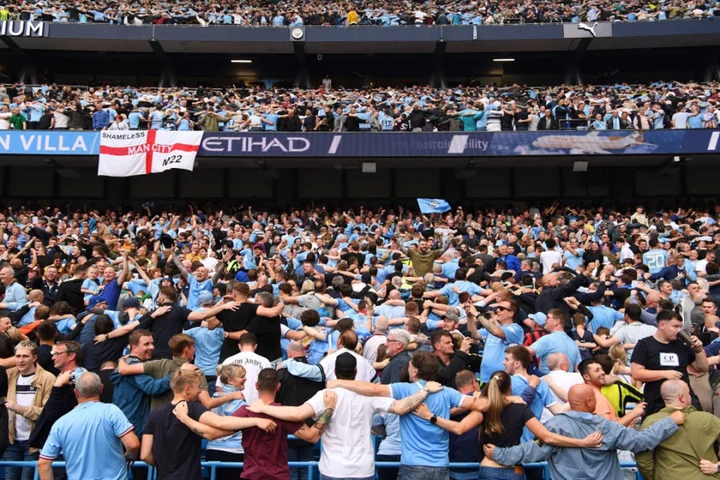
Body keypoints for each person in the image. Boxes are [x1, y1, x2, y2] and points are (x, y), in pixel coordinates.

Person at [250, 352, 443, 480]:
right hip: (362, 470)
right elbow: (401, 408)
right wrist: (425, 390)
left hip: (333, 469)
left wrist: (264, 408)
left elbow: (297, 413)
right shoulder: (368, 396)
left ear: (334, 371)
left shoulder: (325, 395)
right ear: (357, 372)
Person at [327, 351, 498, 480]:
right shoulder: (447, 392)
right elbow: (481, 405)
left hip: (413, 466)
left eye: (409, 367)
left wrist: (340, 382)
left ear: (415, 371)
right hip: (440, 466)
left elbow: (374, 389)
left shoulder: (405, 389)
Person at [414, 370, 602, 480]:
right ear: (510, 387)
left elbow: (459, 428)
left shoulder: (484, 409)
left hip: (489, 468)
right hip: (514, 469)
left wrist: (431, 416)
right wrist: (582, 442)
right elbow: (547, 437)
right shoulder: (520, 407)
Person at [485, 384, 687, 480]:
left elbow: (529, 451)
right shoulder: (606, 426)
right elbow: (642, 441)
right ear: (590, 402)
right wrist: (670, 421)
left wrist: (498, 453)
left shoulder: (556, 426)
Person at [141, 369, 277, 480]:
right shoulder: (192, 408)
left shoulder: (154, 414)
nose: (200, 391)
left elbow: (145, 455)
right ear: (188, 389)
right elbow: (219, 423)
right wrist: (256, 421)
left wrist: (164, 465)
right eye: (198, 387)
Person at [37, 372, 140, 480]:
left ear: (76, 392)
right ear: (101, 388)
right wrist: (129, 456)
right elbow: (133, 445)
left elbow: (43, 463)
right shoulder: (111, 411)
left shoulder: (61, 423)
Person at [636, 379, 720, 479]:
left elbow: (643, 458)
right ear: (682, 398)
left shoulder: (651, 422)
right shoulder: (708, 419)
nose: (690, 396)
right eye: (689, 393)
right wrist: (717, 467)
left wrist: (654, 476)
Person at [631, 310, 708, 414]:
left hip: (684, 399)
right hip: (657, 401)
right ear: (662, 325)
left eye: (680, 327)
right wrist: (664, 374)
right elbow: (636, 373)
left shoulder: (681, 344)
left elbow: (702, 368)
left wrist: (698, 350)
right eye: (675, 326)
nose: (678, 330)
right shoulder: (645, 345)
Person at [3, 341, 55, 480]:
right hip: (12, 440)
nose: (20, 360)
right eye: (18, 356)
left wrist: (18, 408)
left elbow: (45, 413)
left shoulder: (48, 378)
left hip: (33, 441)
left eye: (25, 356)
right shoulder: (9, 375)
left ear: (34, 357)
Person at [205, 364, 248, 480]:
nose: (245, 379)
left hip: (212, 451)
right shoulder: (242, 404)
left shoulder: (213, 398)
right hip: (235, 452)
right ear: (230, 380)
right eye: (242, 376)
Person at [466, 300, 524, 383]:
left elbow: (497, 332)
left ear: (511, 313)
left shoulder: (516, 329)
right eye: (497, 308)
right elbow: (474, 334)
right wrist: (470, 316)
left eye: (501, 308)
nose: (497, 310)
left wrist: (477, 315)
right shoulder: (492, 329)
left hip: (503, 381)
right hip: (485, 378)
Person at [217, 333, 271, 403]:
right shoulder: (265, 362)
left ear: (239, 346)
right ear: (255, 346)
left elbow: (219, 388)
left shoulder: (228, 361)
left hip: (232, 407)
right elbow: (270, 388)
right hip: (257, 406)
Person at [527, 308, 582, 374]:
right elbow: (578, 369)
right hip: (567, 383)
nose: (545, 319)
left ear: (556, 321)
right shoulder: (573, 344)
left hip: (548, 382)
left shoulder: (547, 339)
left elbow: (526, 352)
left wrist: (514, 346)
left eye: (548, 317)